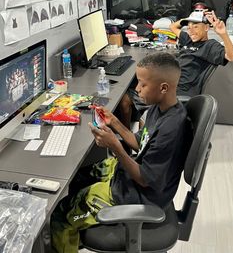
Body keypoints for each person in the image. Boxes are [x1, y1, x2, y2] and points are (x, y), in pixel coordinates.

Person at [50, 53, 190, 253]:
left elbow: (143, 178)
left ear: (163, 88)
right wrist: (114, 122)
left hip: (138, 196)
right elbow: (140, 143)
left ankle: (70, 228)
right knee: (79, 178)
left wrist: (115, 146)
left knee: (60, 216)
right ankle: (78, 231)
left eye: (142, 84)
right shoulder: (160, 109)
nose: (137, 89)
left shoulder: (172, 128)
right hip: (129, 179)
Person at [118, 10, 233, 128]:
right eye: (189, 27)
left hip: (177, 92)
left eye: (196, 26)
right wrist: (188, 19)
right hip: (168, 84)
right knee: (126, 97)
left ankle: (144, 138)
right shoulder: (188, 39)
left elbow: (232, 57)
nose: (191, 31)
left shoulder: (210, 46)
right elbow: (172, 26)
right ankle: (128, 140)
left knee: (134, 104)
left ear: (206, 28)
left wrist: (223, 33)